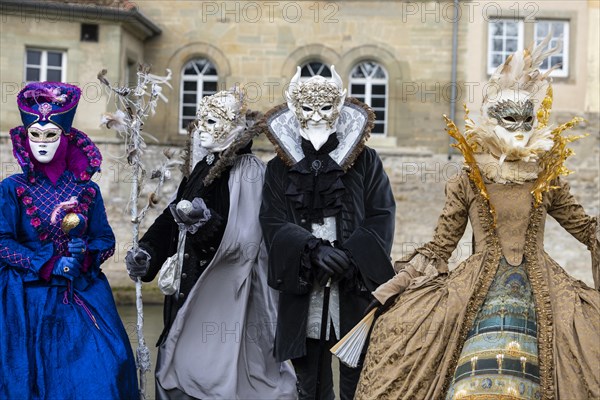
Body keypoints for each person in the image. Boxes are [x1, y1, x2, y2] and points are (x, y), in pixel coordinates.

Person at [355, 38, 600, 399]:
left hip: (543, 288)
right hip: (475, 286)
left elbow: (584, 228)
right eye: (509, 119)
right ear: (492, 121)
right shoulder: (468, 179)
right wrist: (398, 284)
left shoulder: (546, 177)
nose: (519, 127)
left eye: (526, 119)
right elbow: (442, 245)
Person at [126, 88, 297, 400]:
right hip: (185, 290)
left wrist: (206, 228)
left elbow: (246, 240)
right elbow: (171, 217)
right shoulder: (201, 167)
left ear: (233, 127)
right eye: (200, 120)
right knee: (175, 367)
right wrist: (147, 252)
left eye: (212, 120)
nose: (201, 127)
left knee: (211, 377)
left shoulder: (249, 172)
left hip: (225, 297)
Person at [259, 66, 396, 400]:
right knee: (310, 383)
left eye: (325, 108)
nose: (317, 116)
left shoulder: (366, 162)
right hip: (304, 286)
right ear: (295, 110)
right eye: (308, 109)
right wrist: (312, 251)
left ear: (338, 110)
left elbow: (381, 214)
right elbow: (272, 221)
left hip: (353, 285)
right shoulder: (278, 169)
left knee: (359, 378)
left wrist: (352, 256)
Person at [0, 82, 138, 399]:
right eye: (35, 134)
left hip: (82, 295)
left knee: (105, 372)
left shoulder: (87, 189)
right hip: (28, 299)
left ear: (66, 137)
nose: (43, 142)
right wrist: (48, 263)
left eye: (51, 135)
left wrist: (84, 255)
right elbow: (2, 242)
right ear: (25, 137)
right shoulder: (12, 188)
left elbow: (104, 239)